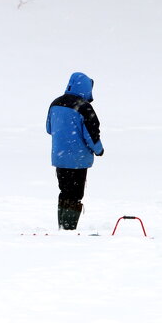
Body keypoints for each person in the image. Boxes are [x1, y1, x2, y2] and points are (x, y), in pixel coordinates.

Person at [46, 71, 104, 230]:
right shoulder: (84, 107)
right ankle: (69, 229)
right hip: (78, 160)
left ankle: (63, 227)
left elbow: (49, 128)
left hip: (60, 158)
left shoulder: (55, 103)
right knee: (75, 195)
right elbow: (92, 135)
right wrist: (99, 150)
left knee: (64, 192)